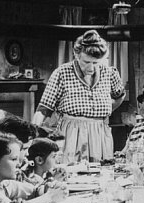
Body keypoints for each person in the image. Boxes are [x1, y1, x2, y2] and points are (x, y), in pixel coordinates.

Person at [33, 30, 125, 163]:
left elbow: (119, 96)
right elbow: (43, 109)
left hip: (100, 135)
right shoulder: (62, 73)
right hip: (71, 135)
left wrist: (106, 110)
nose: (91, 68)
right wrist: (31, 137)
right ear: (76, 54)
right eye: (86, 61)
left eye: (96, 63)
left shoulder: (110, 73)